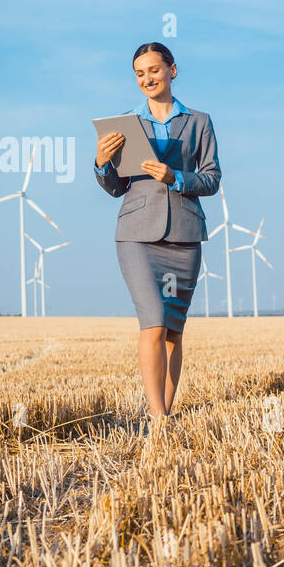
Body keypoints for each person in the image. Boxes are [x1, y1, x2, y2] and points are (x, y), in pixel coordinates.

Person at [94, 43, 221, 435]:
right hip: (136, 236)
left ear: (172, 70)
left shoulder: (199, 122)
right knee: (152, 323)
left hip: (184, 235)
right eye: (139, 73)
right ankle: (157, 418)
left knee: (172, 331)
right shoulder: (125, 125)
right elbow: (116, 187)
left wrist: (176, 177)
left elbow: (213, 179)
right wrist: (101, 162)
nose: (147, 79)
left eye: (154, 70)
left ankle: (167, 410)